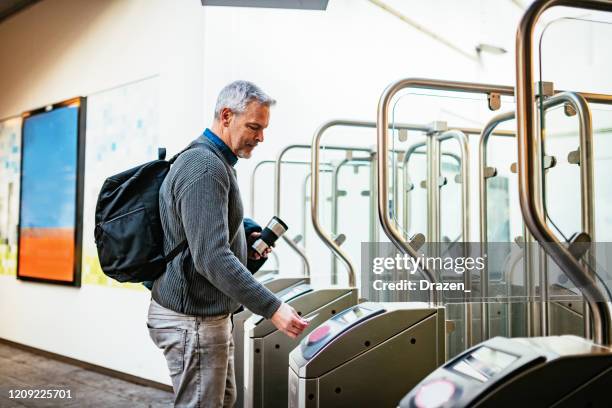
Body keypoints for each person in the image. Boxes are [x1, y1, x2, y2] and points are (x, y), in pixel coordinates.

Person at [147, 80, 308, 407]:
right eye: (254, 126)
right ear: (225, 116)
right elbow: (211, 257)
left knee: (224, 401)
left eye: (264, 128)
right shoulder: (205, 166)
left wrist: (243, 231)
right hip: (192, 320)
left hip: (204, 318)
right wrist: (272, 308)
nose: (260, 137)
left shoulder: (216, 162)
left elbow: (202, 230)